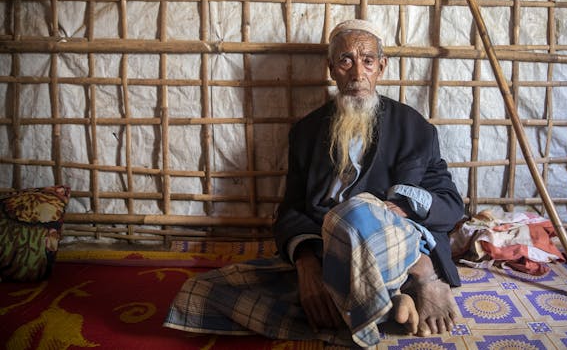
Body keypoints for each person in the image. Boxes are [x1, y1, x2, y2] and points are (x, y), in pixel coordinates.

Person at [163, 19, 465, 347]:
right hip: (328, 252)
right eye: (345, 60)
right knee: (200, 294)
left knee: (356, 212)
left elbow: (449, 204)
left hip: (393, 248)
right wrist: (306, 264)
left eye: (367, 61)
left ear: (381, 67)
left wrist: (403, 214)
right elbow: (291, 208)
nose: (357, 73)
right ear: (332, 69)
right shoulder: (306, 132)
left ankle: (414, 279)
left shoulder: (414, 127)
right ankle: (386, 307)